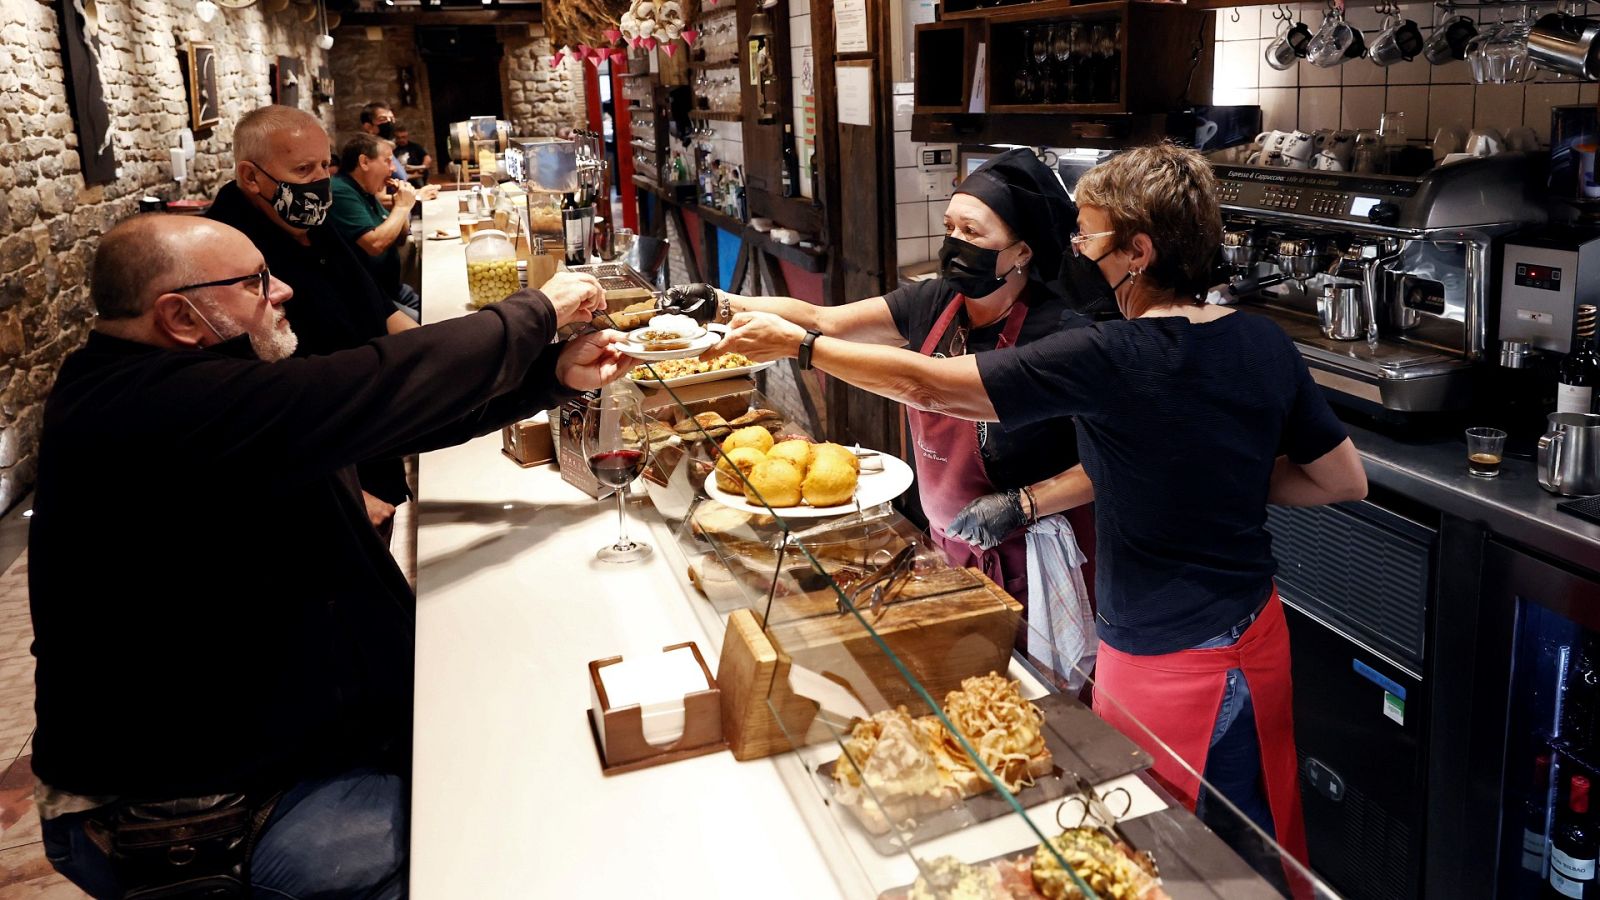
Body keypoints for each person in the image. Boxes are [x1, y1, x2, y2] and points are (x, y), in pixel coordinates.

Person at [710, 143, 1368, 880]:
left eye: (1088, 237)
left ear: (1139, 251)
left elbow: (933, 388)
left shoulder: (1113, 351)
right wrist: (1225, 481)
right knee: (1253, 844)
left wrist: (806, 347)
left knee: (1149, 858)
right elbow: (1343, 480)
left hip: (1165, 655)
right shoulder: (1261, 338)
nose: (1077, 251)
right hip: (1258, 635)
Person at [29, 213, 619, 899]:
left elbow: (375, 418)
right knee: (491, 838)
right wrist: (537, 312)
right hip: (203, 808)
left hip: (268, 749)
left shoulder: (198, 380)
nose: (281, 289)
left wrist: (549, 378)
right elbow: (370, 385)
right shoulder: (146, 409)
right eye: (254, 281)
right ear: (179, 317)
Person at [662, 150, 1101, 624]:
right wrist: (719, 302)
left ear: (1023, 251)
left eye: (973, 233)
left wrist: (1023, 504)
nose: (954, 243)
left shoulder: (1059, 332)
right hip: (946, 538)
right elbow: (822, 319)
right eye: (950, 227)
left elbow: (1107, 460)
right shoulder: (935, 299)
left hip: (1034, 550)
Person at [209, 105, 418, 535]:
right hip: (314, 473)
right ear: (251, 177)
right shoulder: (222, 249)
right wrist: (342, 493)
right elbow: (241, 403)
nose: (320, 181)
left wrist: (457, 360)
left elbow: (382, 313)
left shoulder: (313, 223)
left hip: (367, 429)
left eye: (326, 165)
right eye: (303, 169)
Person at [330, 132, 437, 321]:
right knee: (430, 324)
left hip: (394, 289)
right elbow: (375, 244)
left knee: (440, 309)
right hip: (370, 297)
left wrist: (400, 205)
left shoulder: (367, 191)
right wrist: (403, 206)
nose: (393, 168)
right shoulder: (341, 191)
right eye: (387, 161)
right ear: (364, 162)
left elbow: (401, 237)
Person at [360, 101, 408, 183]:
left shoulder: (386, 148)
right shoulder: (369, 152)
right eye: (383, 119)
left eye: (392, 119)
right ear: (368, 127)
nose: (390, 123)